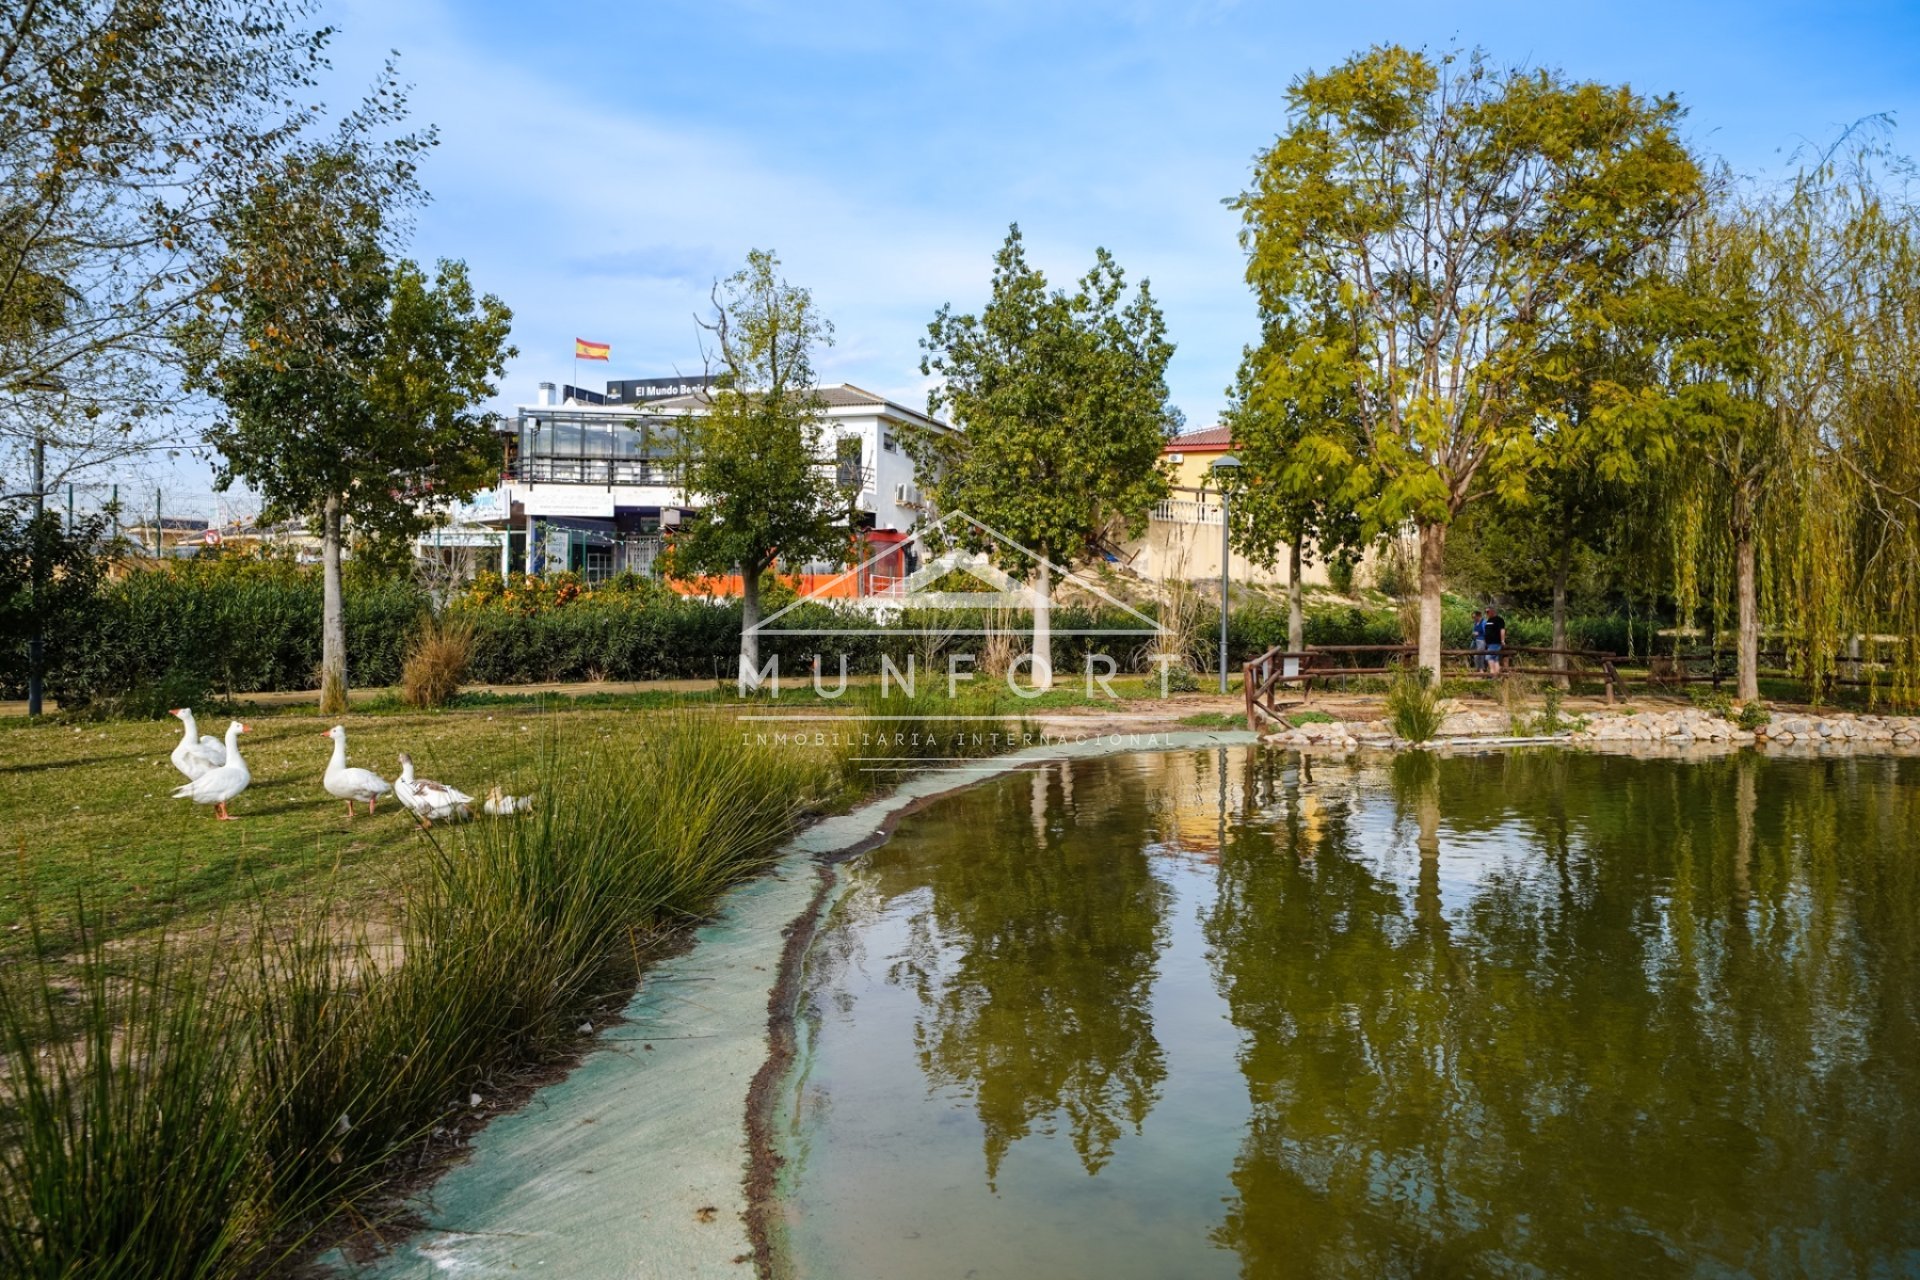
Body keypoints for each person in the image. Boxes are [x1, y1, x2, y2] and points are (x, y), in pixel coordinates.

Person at [1484, 607, 1507, 675]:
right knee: (1495, 659)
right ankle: (1496, 675)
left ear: (1493, 611)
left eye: (1488, 611)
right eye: (1486, 612)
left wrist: (1502, 640)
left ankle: (1492, 673)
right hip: (1489, 643)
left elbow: (1502, 630)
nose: (1487, 613)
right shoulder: (1489, 620)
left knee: (1488, 657)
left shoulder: (1499, 620)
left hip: (1495, 642)